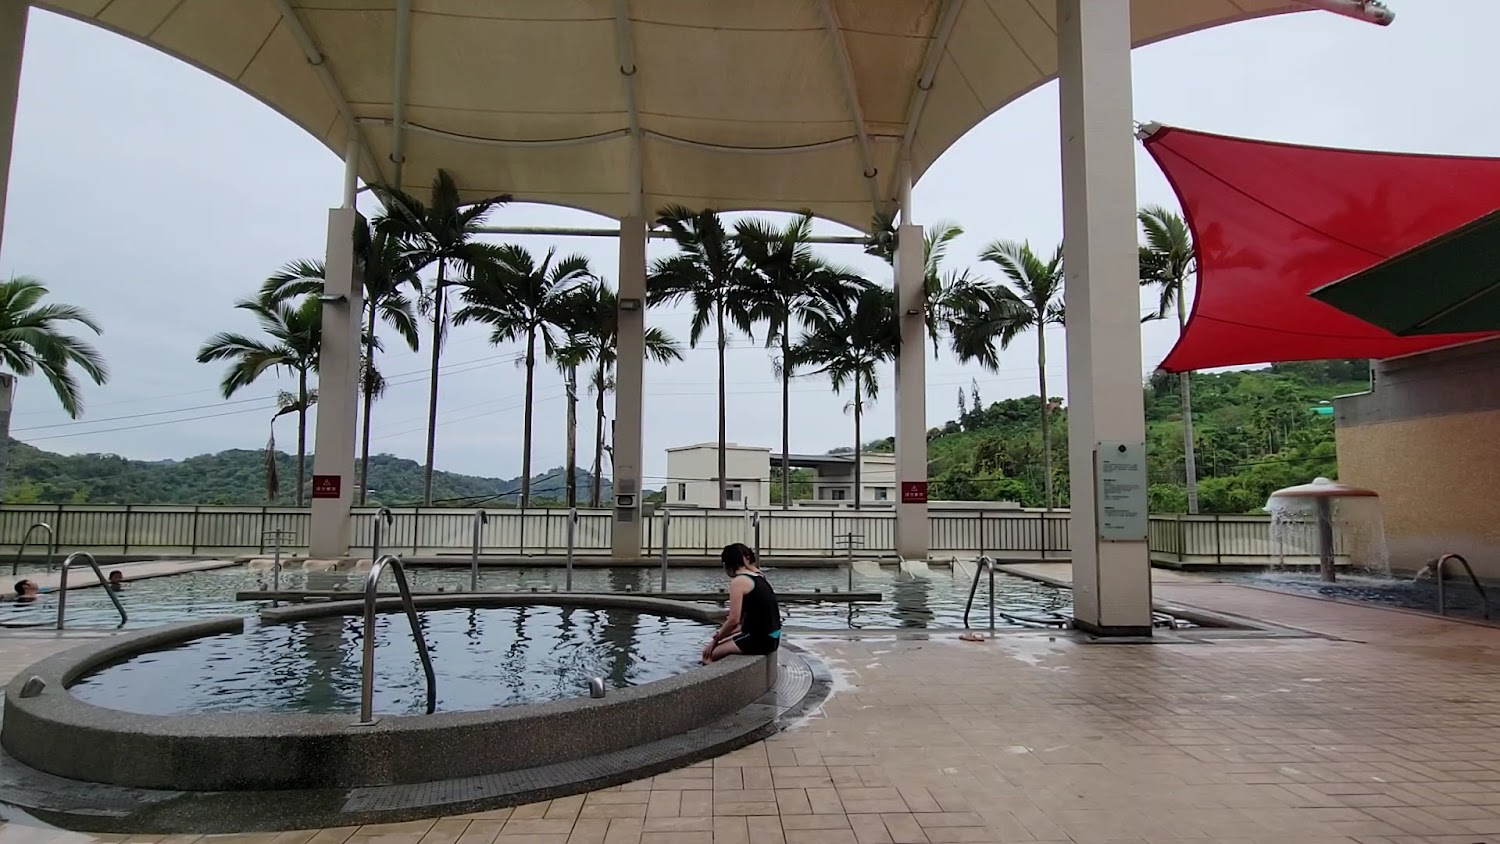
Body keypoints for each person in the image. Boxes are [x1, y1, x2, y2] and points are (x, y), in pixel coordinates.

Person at [702, 543, 781, 664]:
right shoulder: (758, 576)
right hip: (772, 637)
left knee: (709, 655)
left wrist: (715, 641)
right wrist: (720, 637)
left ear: (726, 565)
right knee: (723, 641)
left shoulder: (738, 582)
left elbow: (733, 620)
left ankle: (719, 680)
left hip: (761, 640)